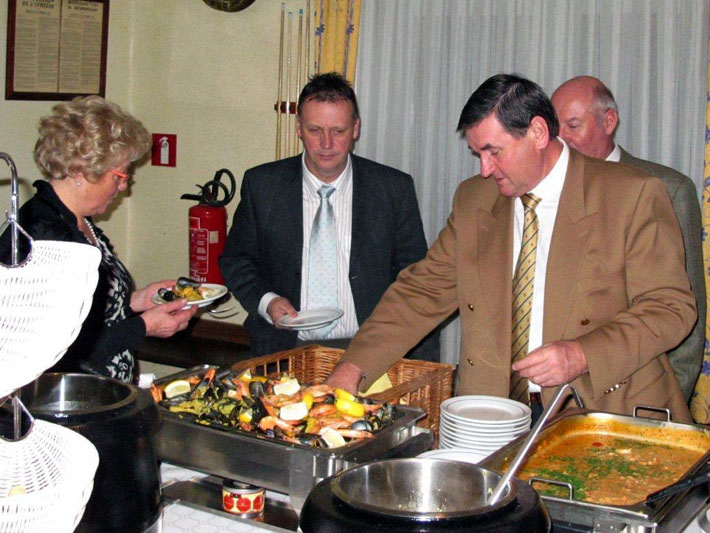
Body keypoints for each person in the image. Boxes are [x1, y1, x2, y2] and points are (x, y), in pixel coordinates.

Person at [327, 73, 696, 423]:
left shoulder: (630, 194)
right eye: (478, 154)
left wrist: (582, 354)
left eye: (494, 152)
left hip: (601, 410)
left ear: (538, 132)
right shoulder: (474, 199)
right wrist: (354, 366)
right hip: (497, 414)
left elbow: (670, 309)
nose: (485, 169)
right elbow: (421, 292)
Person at [219, 72, 438, 360]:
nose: (326, 144)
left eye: (338, 131)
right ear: (298, 128)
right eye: (314, 130)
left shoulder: (392, 189)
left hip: (369, 351)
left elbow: (414, 275)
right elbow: (237, 260)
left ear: (355, 129)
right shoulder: (263, 186)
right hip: (284, 349)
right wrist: (267, 302)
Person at [0, 96, 197, 382]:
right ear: (80, 172)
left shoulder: (77, 220)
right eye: (119, 175)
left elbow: (87, 314)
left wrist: (137, 301)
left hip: (101, 390)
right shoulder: (46, 238)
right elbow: (60, 352)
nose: (124, 185)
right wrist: (143, 327)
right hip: (68, 393)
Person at [551, 75, 705, 403]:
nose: (561, 139)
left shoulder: (667, 187)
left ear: (609, 122)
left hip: (636, 396)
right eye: (555, 127)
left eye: (573, 126)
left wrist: (664, 407)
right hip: (558, 393)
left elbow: (686, 316)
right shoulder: (550, 190)